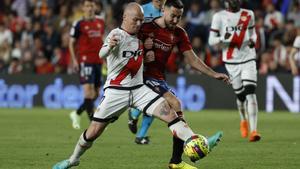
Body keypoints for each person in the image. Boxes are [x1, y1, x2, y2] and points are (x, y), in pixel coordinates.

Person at [52, 3, 223, 169]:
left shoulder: (143, 35)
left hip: (139, 89)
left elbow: (151, 47)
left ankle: (195, 143)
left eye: (141, 20)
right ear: (125, 17)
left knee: (171, 113)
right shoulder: (116, 34)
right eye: (135, 20)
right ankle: (72, 159)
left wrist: (148, 53)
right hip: (116, 91)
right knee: (94, 132)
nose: (139, 24)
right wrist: (109, 47)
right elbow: (101, 53)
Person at [128, 0, 229, 168]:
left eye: (179, 17)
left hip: (158, 78)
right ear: (163, 10)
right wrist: (142, 53)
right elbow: (128, 49)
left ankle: (177, 159)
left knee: (175, 109)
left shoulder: (179, 33)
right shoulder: (145, 28)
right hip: (142, 77)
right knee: (175, 103)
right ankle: (187, 148)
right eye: (173, 15)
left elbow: (192, 60)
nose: (175, 20)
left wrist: (214, 74)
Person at [208, 0, 261, 142]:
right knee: (241, 96)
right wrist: (225, 39)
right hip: (231, 62)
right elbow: (211, 41)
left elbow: (253, 34)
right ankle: (243, 120)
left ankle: (254, 130)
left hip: (248, 58)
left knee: (250, 93)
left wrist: (252, 41)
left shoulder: (248, 14)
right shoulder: (219, 16)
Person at [128, 0, 165, 145]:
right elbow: (131, 32)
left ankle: (135, 117)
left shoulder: (167, 12)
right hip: (143, 59)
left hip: (159, 59)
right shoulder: (142, 10)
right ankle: (137, 120)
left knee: (157, 96)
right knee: (155, 96)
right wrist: (143, 44)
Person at [69, 0, 105, 129]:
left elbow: (102, 40)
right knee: (88, 93)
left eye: (91, 6)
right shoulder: (79, 24)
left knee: (95, 93)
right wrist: (74, 60)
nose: (89, 8)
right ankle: (93, 123)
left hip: (98, 61)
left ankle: (76, 113)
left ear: (94, 7)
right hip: (85, 60)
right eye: (87, 6)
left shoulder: (100, 22)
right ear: (83, 8)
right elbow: (71, 43)